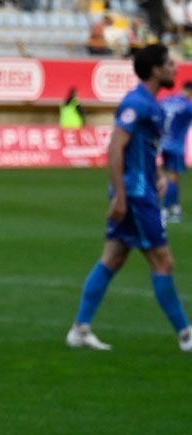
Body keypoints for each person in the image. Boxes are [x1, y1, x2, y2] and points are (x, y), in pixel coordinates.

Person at [67, 44, 192, 353]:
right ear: (155, 70)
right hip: (136, 195)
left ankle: (80, 329)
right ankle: (186, 335)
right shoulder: (136, 103)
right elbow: (115, 147)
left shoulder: (152, 104)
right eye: (169, 64)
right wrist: (121, 196)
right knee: (163, 261)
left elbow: (143, 150)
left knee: (113, 257)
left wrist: (158, 174)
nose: (176, 69)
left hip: (142, 189)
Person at [161, 81, 192, 223]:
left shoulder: (167, 100)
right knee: (173, 177)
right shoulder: (187, 106)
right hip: (176, 146)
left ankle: (176, 207)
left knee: (172, 176)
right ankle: (166, 210)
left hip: (164, 143)